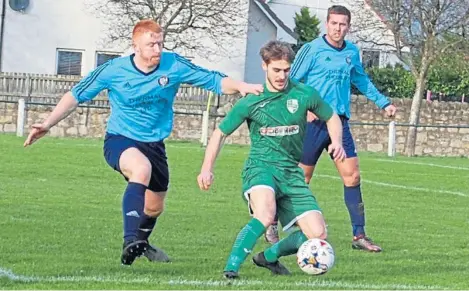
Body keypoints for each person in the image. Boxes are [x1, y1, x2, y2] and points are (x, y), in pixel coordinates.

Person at [23, 19, 263, 266]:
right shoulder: (114, 70)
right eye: (151, 45)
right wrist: (47, 124)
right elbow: (75, 96)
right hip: (120, 139)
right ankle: (129, 241)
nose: (157, 50)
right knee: (141, 169)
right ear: (135, 45)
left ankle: (140, 243)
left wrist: (242, 86)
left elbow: (212, 79)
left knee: (155, 207)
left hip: (155, 144)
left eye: (160, 43)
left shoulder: (173, 65)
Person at [197, 40, 346, 279]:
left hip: (291, 173)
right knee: (266, 214)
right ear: (264, 66)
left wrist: (336, 142)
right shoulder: (252, 100)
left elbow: (332, 117)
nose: (281, 75)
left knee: (317, 234)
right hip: (260, 167)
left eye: (286, 70)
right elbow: (220, 133)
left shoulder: (303, 93)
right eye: (276, 69)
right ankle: (231, 269)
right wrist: (206, 169)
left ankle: (267, 257)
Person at [263, 5, 397, 252]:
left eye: (343, 24)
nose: (338, 28)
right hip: (312, 125)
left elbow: (361, 81)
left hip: (339, 123)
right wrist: (305, 107)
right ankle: (271, 221)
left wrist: (383, 102)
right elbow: (291, 81)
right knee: (301, 179)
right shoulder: (312, 49)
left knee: (353, 176)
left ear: (348, 26)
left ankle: (359, 236)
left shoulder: (352, 53)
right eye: (334, 23)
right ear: (327, 24)